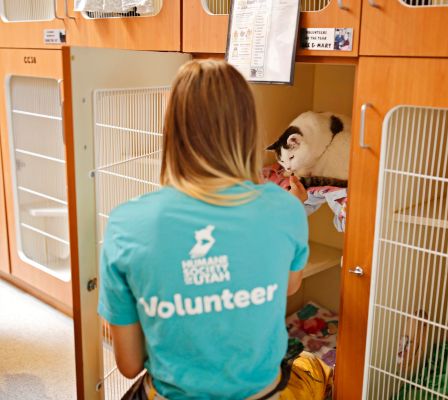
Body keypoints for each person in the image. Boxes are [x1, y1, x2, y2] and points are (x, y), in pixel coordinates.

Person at [98, 60, 331, 400]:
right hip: (264, 393)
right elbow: (290, 285)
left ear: (172, 131)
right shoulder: (287, 208)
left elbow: (130, 365)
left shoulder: (125, 225)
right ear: (249, 129)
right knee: (313, 367)